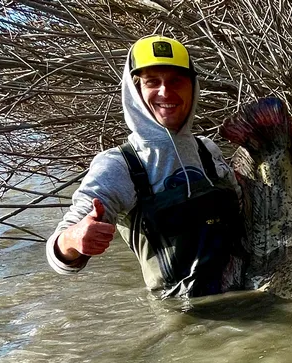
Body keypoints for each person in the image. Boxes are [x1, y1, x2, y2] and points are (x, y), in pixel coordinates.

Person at [47, 35, 245, 298]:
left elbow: (247, 216)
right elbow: (58, 256)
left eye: (176, 80)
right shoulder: (118, 165)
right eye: (153, 82)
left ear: (192, 87)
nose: (165, 91)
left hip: (248, 295)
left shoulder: (208, 150)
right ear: (136, 91)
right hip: (190, 319)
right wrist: (72, 239)